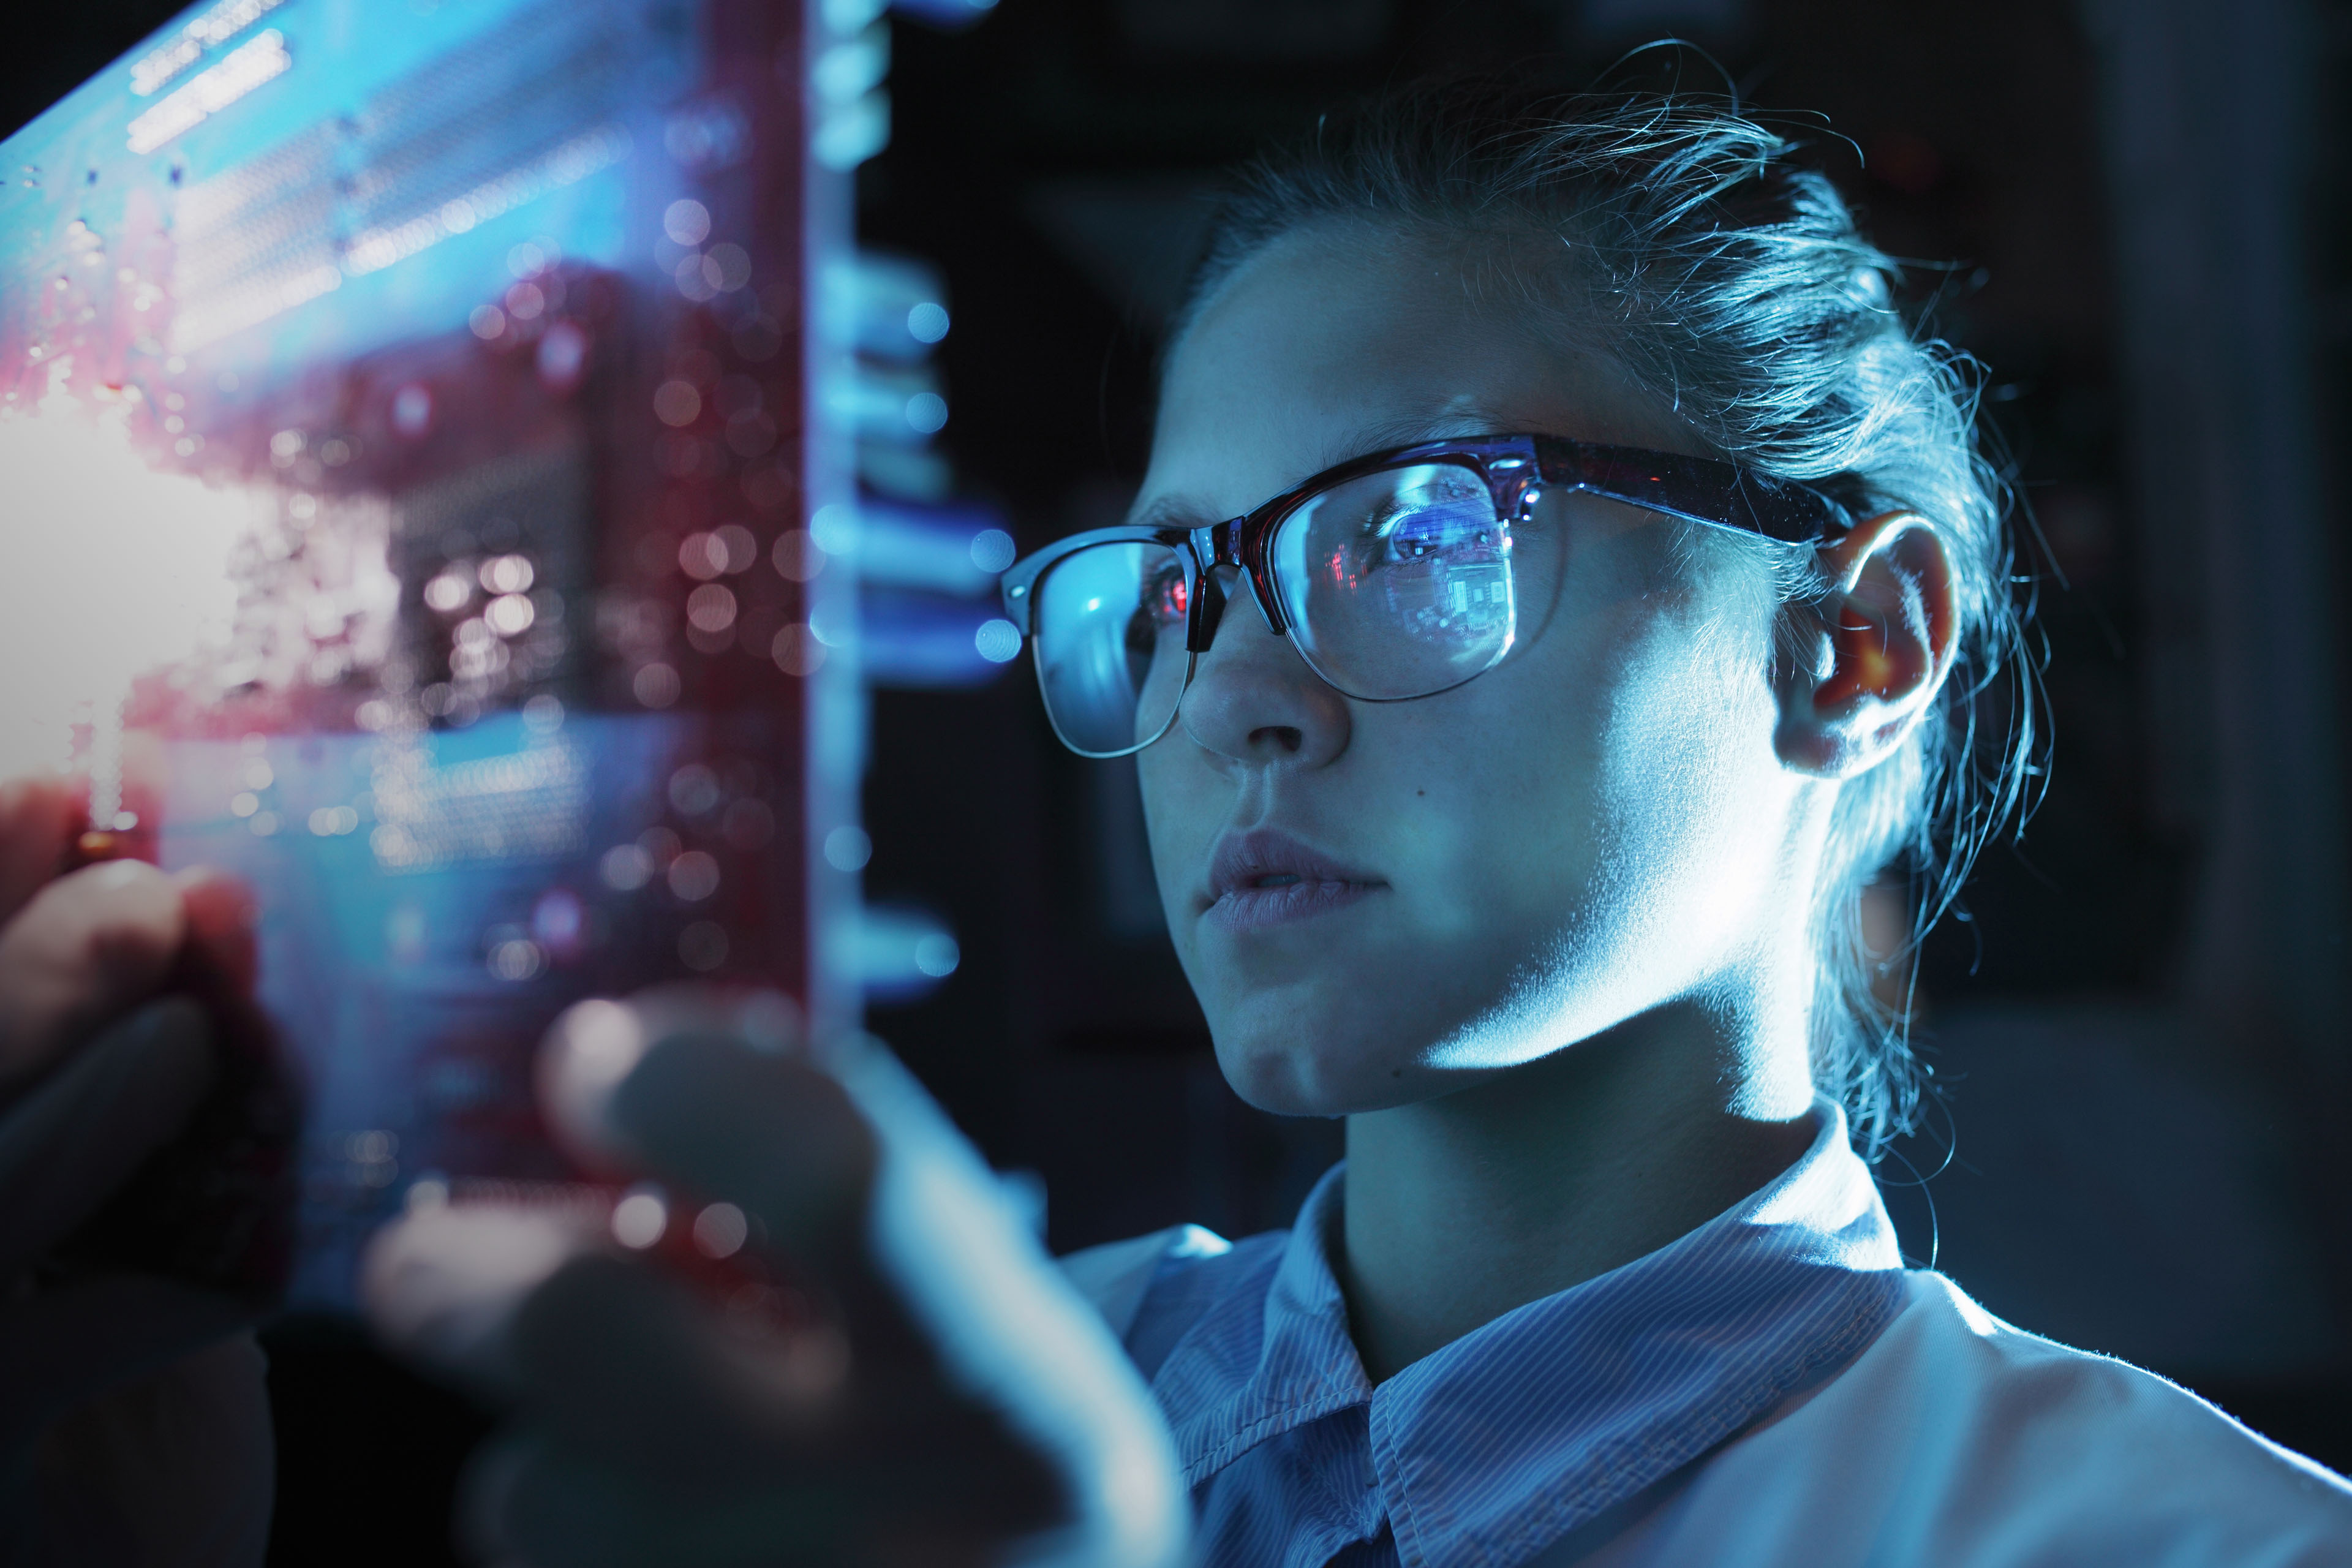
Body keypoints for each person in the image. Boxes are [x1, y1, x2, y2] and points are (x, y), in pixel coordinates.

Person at [4, 77, 2348, 1567]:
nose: (1230, 692)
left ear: (1858, 642)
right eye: (1173, 580)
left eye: (1411, 531)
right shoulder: (851, 1392)